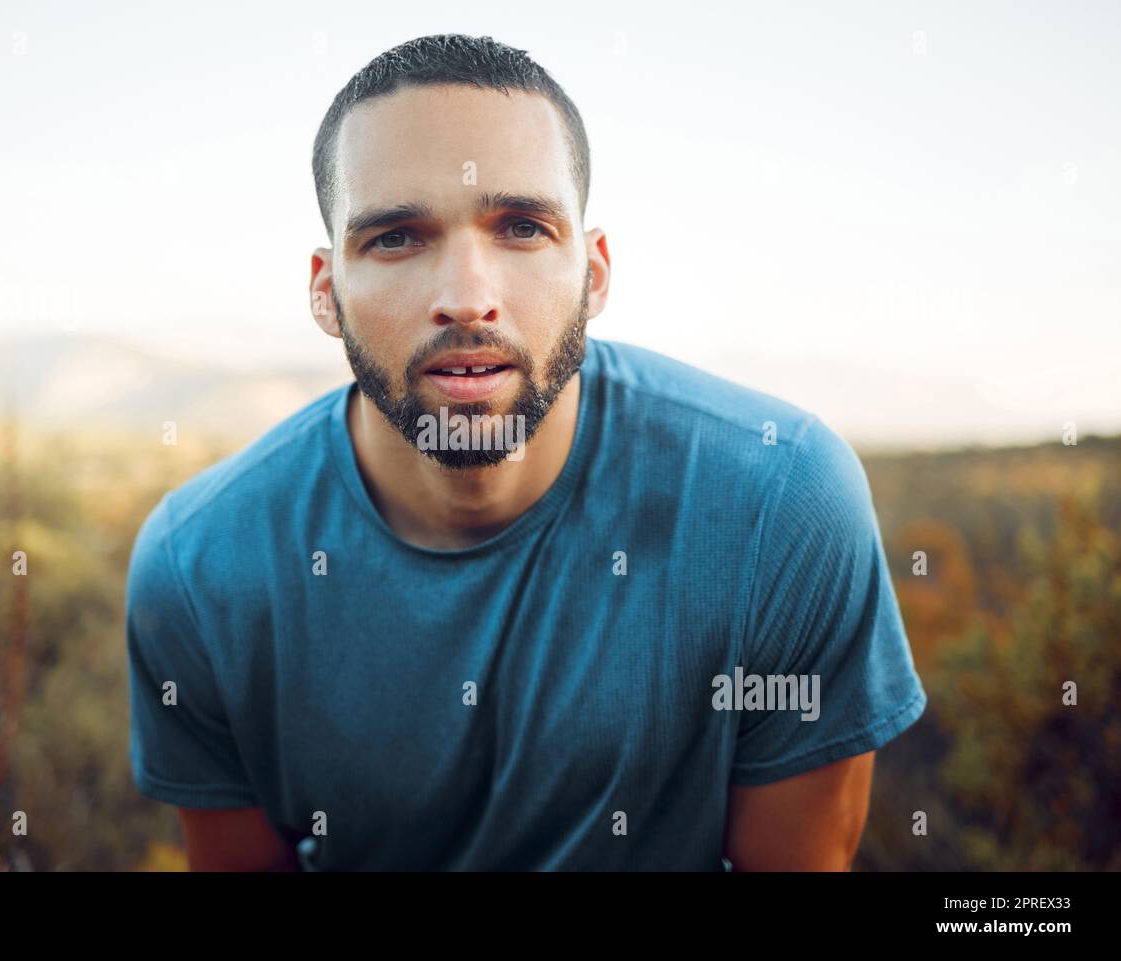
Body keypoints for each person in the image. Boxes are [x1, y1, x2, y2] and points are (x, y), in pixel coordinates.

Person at [125, 33, 926, 871]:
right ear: (327, 291)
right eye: (397, 237)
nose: (468, 298)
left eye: (521, 227)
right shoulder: (199, 566)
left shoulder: (782, 499)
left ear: (595, 272)